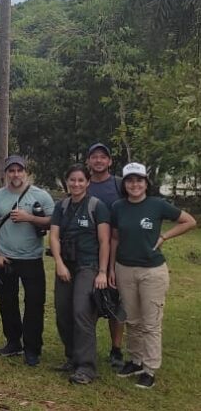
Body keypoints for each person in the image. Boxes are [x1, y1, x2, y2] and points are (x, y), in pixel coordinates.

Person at [109, 163, 196, 389]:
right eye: (130, 180)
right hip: (124, 268)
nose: (134, 184)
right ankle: (135, 360)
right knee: (132, 319)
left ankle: (149, 368)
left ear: (146, 183)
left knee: (151, 322)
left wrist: (165, 236)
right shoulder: (118, 207)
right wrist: (110, 268)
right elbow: (115, 238)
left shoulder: (157, 205)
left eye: (139, 180)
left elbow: (189, 221)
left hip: (152, 271)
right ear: (124, 184)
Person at [0, 155, 55, 366]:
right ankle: (13, 341)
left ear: (26, 172)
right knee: (7, 301)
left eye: (19, 170)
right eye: (11, 171)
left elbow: (54, 222)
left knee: (34, 304)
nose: (15, 174)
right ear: (6, 173)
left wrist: (30, 218)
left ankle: (32, 348)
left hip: (32, 258)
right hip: (6, 258)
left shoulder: (41, 195)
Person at [49, 164, 111, 385]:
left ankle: (86, 366)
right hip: (66, 265)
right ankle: (72, 357)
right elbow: (54, 236)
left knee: (81, 312)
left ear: (88, 183)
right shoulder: (61, 206)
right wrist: (59, 263)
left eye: (80, 180)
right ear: (66, 182)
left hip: (88, 265)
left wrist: (102, 271)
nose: (76, 184)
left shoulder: (97, 206)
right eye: (72, 180)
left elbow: (104, 241)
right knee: (63, 312)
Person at [85, 142, 126, 368]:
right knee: (88, 300)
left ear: (110, 161)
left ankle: (116, 349)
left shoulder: (119, 184)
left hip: (118, 252)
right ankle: (85, 347)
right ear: (89, 161)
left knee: (116, 303)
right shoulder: (84, 184)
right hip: (90, 251)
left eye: (103, 157)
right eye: (94, 157)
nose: (99, 160)